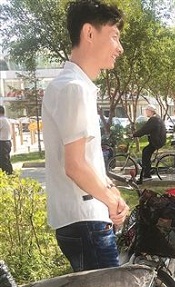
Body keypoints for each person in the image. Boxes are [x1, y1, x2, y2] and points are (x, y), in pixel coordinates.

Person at [41, 0, 129, 272]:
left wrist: (113, 194)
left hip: (84, 220)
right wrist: (112, 200)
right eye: (114, 36)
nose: (119, 47)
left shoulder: (73, 86)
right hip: (86, 221)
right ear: (89, 33)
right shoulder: (73, 89)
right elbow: (75, 165)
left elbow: (86, 162)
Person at [133, 104, 166, 183]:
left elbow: (145, 129)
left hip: (156, 141)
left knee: (146, 152)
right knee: (146, 151)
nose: (145, 112)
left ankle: (147, 174)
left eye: (146, 110)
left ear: (150, 111)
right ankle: (147, 170)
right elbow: (148, 129)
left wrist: (134, 134)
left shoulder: (153, 119)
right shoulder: (156, 118)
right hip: (158, 140)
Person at [0, 106, 13, 175]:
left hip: (2, 142)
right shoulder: (6, 119)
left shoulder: (1, 120)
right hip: (7, 141)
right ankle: (10, 174)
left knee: (3, 161)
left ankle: (8, 174)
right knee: (6, 160)